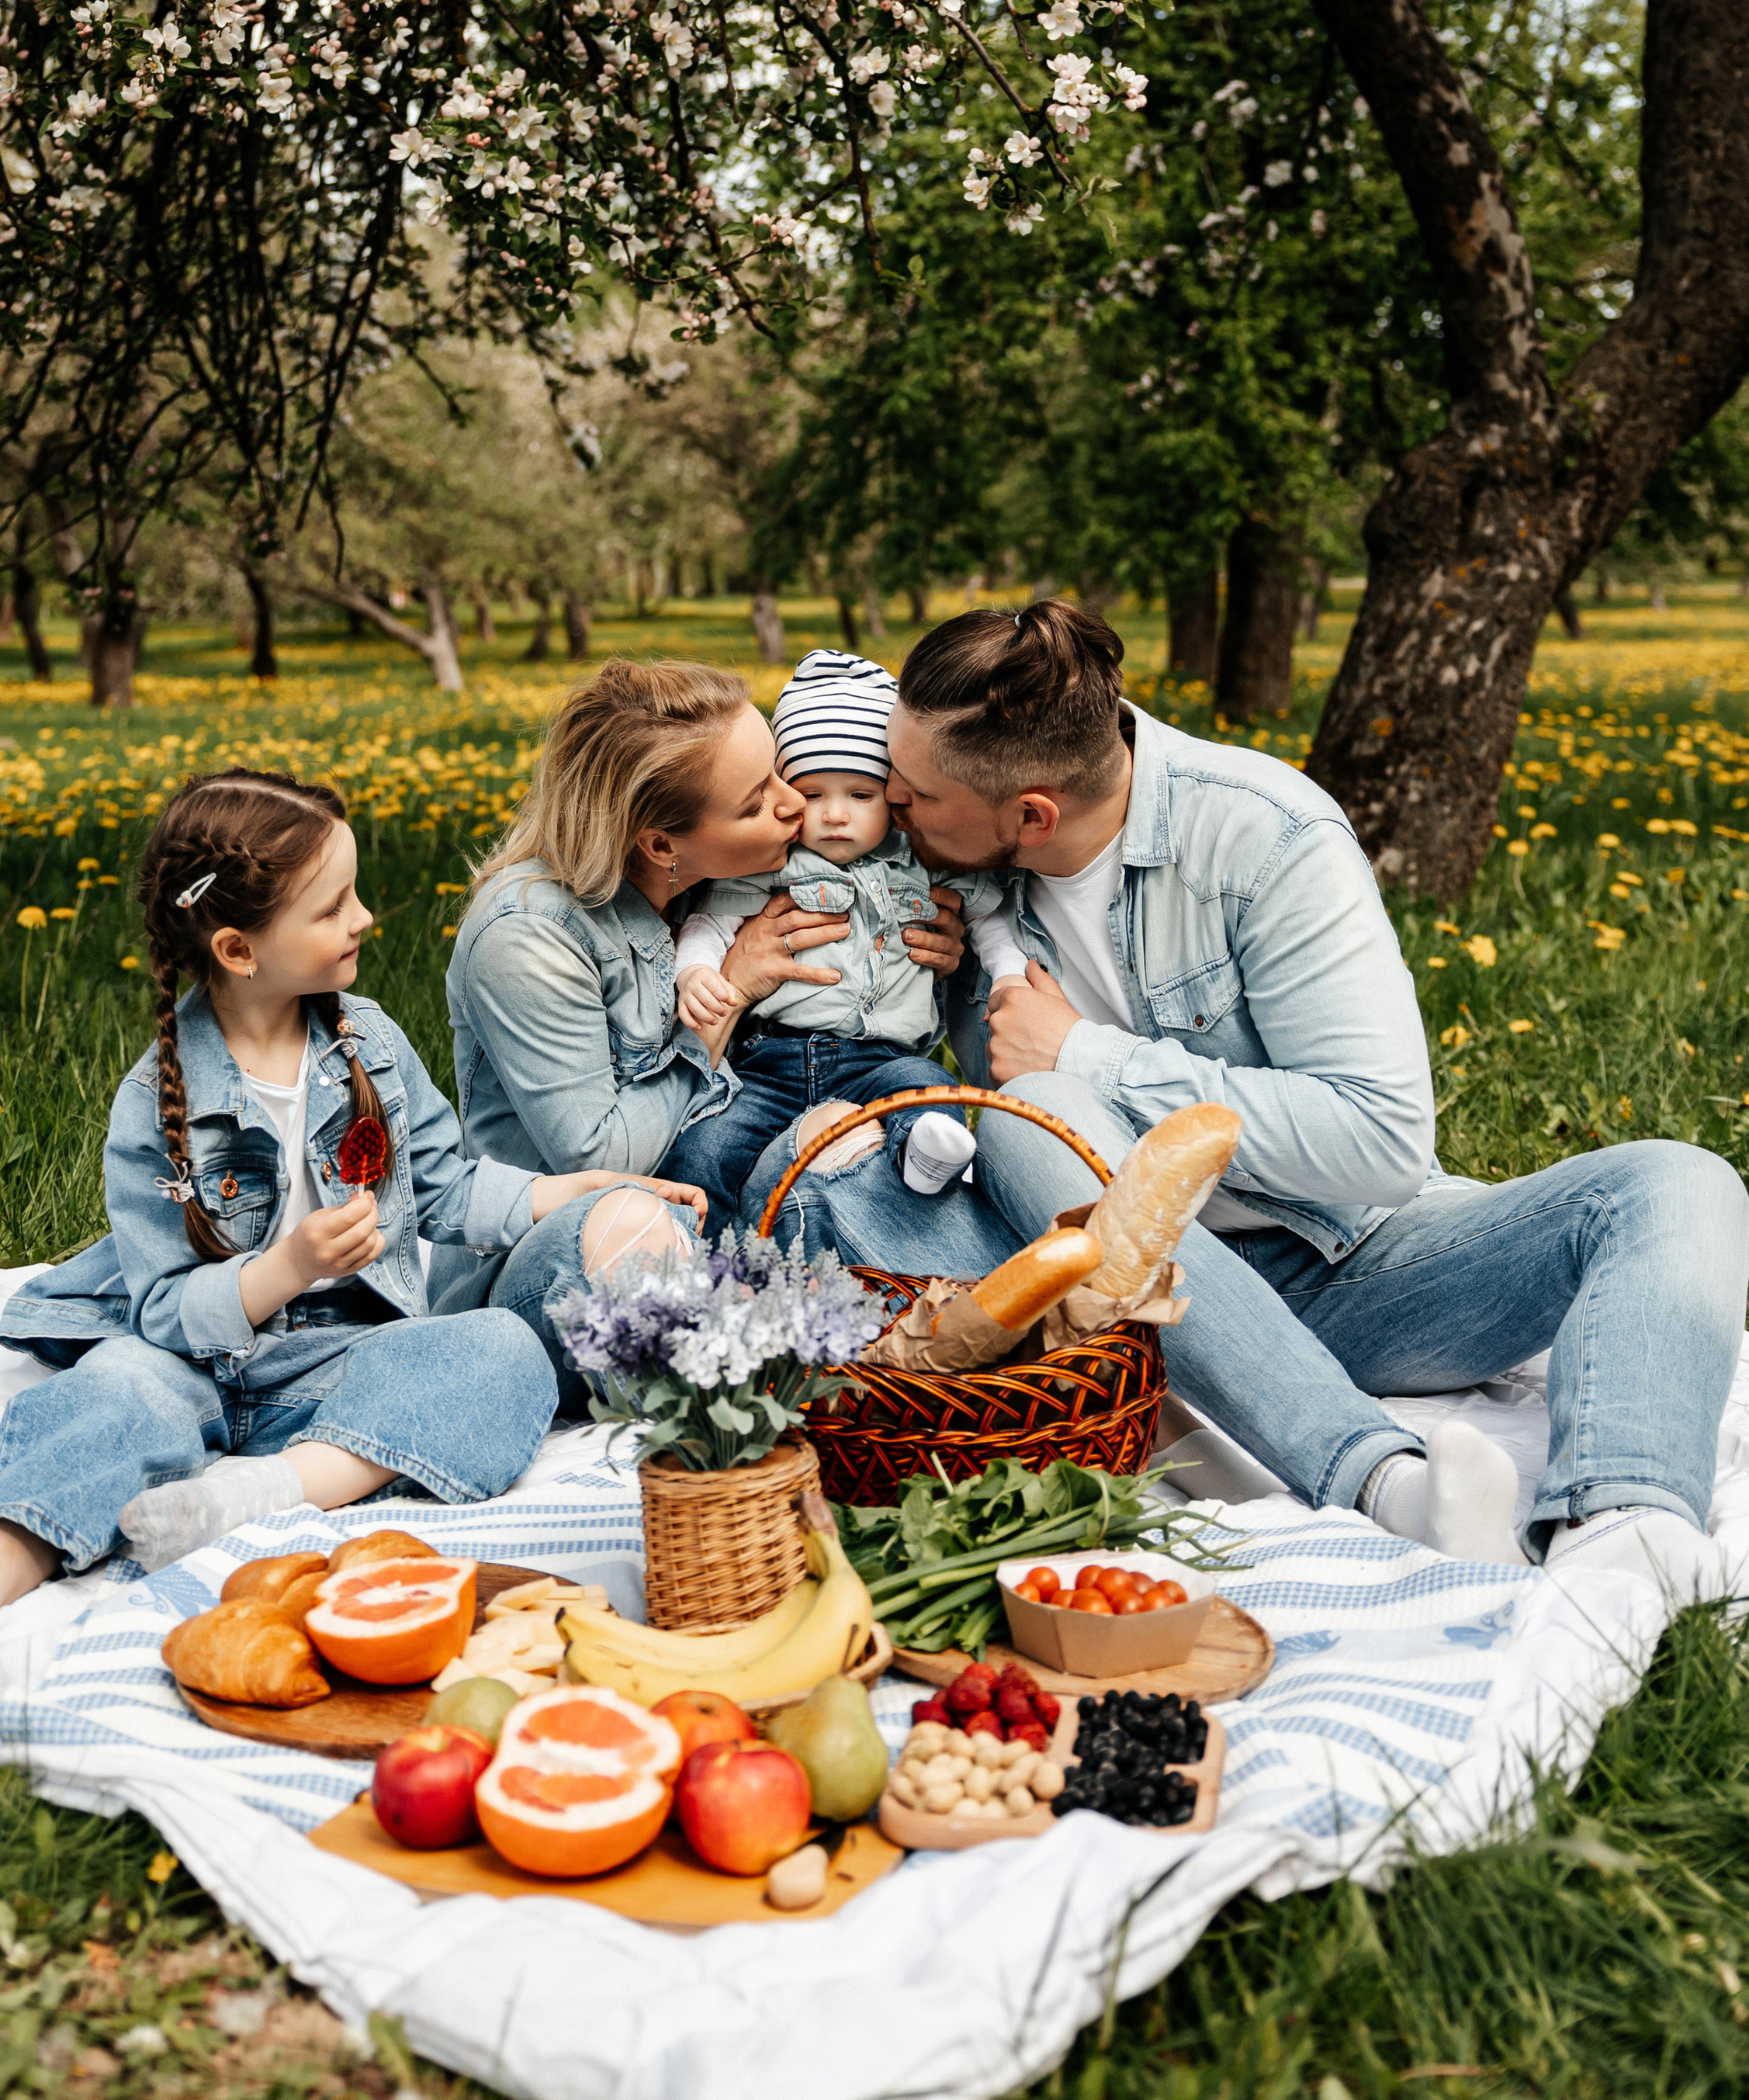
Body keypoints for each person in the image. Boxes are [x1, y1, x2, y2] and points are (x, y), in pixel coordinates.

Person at [750, 603, 1749, 1609]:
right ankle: (1381, 1481)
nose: (892, 812)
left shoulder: (1265, 834)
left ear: (1035, 813)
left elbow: (1382, 1140)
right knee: (918, 1147)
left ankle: (1626, 1531)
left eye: (912, 796)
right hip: (1101, 1308)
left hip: (1350, 1266)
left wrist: (1089, 1053)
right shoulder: (939, 883)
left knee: (1679, 1182)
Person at [0, 766, 696, 1735]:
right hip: (196, 1357)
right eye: (334, 905)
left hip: (337, 1360)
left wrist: (569, 1191)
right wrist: (285, 1269)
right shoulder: (158, 1100)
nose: (364, 919)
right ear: (238, 948)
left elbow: (444, 1186)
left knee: (499, 1354)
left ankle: (255, 1495)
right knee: (107, 1396)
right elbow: (162, 1308)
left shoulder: (371, 1046)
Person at [438, 658, 968, 1356]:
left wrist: (917, 939)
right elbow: (606, 1153)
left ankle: (928, 1332)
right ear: (659, 844)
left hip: (706, 1209)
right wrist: (733, 991)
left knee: (855, 1141)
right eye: (756, 802)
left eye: (780, 771)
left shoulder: (713, 884)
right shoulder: (530, 938)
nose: (794, 806)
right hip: (572, 1261)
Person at [669, 646, 1027, 1216]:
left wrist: (1009, 976)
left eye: (860, 795)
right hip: (769, 1063)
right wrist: (695, 970)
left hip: (881, 1061)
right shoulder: (774, 863)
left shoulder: (923, 860)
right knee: (704, 1149)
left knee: (929, 1093)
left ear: (892, 793)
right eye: (812, 794)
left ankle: (922, 1160)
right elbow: (712, 920)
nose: (835, 814)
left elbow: (989, 918)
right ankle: (704, 1260)